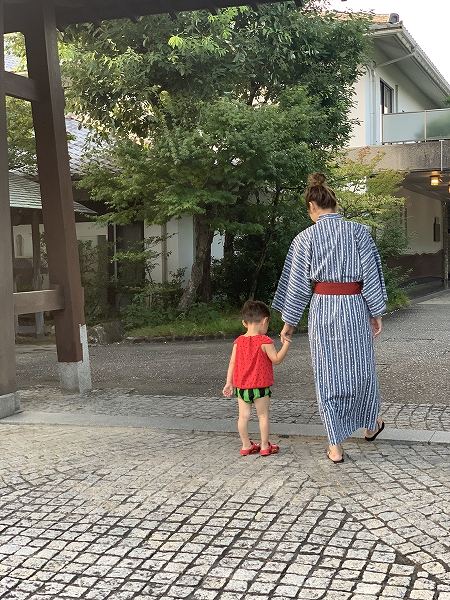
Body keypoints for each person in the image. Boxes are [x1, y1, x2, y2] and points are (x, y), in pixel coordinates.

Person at [272, 173, 387, 464]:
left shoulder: (305, 238)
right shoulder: (359, 232)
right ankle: (370, 425)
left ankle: (335, 445)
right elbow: (371, 275)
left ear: (312, 206)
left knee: (328, 374)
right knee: (362, 369)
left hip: (323, 309)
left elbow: (297, 285)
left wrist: (289, 322)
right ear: (334, 204)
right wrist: (375, 311)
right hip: (355, 306)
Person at [223, 300, 290, 456]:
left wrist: (229, 382)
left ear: (244, 323)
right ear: (265, 321)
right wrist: (286, 344)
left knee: (243, 416)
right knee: (263, 415)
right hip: (260, 387)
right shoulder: (265, 341)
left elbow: (232, 363)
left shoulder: (238, 342)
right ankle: (265, 446)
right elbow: (277, 360)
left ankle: (246, 445)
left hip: (242, 387)